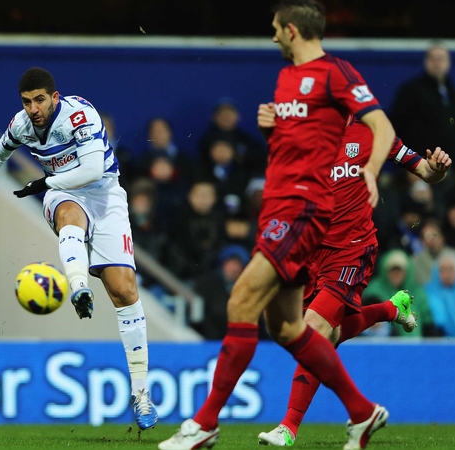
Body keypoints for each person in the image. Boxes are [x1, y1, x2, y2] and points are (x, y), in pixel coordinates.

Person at [158, 2, 396, 449]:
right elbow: (296, 147)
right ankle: (362, 413)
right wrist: (272, 131)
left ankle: (205, 423)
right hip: (278, 207)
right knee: (286, 329)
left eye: (274, 30)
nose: (271, 38)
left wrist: (371, 169)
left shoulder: (335, 73)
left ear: (291, 29)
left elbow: (381, 126)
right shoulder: (286, 78)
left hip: (303, 209)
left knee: (241, 301)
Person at [0, 67, 159, 430]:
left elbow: (90, 169)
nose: (33, 108)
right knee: (69, 217)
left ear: (54, 97)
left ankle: (141, 393)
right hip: (63, 193)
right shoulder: (22, 124)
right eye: (27, 102)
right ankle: (79, 288)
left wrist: (44, 180)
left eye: (39, 100)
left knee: (124, 291)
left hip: (105, 194)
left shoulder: (79, 115)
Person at [257, 118, 451, 446]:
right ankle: (391, 309)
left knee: (313, 329)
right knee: (324, 337)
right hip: (312, 252)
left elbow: (425, 171)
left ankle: (290, 427)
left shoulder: (373, 134)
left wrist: (438, 168)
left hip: (352, 249)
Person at [390, 43, 455, 166]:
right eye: (432, 58)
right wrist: (409, 164)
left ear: (448, 62)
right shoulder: (411, 90)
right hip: (417, 166)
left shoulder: (453, 92)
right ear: (425, 61)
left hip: (449, 167)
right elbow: (396, 128)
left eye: (440, 59)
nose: (436, 63)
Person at [425, 253, 455, 338]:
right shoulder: (428, 292)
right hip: (440, 344)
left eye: (451, 269)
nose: (447, 274)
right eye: (443, 270)